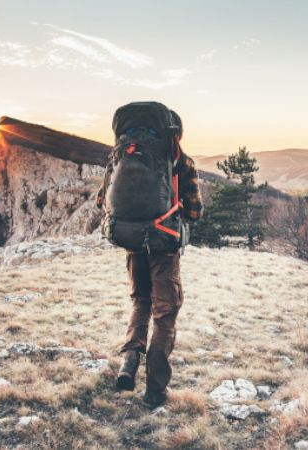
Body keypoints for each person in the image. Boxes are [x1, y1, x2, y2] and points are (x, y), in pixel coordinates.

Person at [95, 109, 203, 408]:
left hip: (131, 241)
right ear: (174, 133)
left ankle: (128, 365)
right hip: (164, 246)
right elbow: (194, 212)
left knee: (141, 302)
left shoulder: (119, 156)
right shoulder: (181, 161)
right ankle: (155, 390)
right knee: (165, 314)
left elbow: (102, 201)